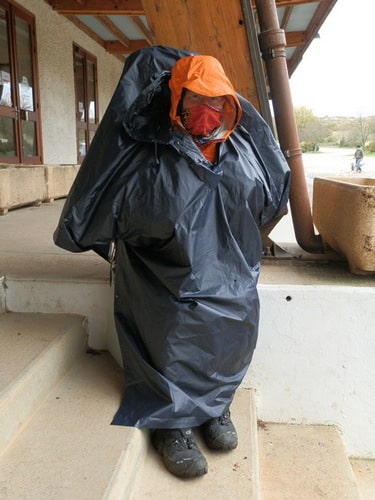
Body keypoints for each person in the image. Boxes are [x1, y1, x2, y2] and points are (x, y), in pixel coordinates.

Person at [54, 46, 290, 479]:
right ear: (176, 99)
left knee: (236, 320)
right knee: (170, 320)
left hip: (229, 269)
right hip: (164, 270)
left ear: (230, 105)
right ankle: (171, 421)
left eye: (215, 101)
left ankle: (215, 406)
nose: (206, 110)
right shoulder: (150, 149)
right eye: (196, 100)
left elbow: (265, 203)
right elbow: (123, 205)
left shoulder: (243, 153)